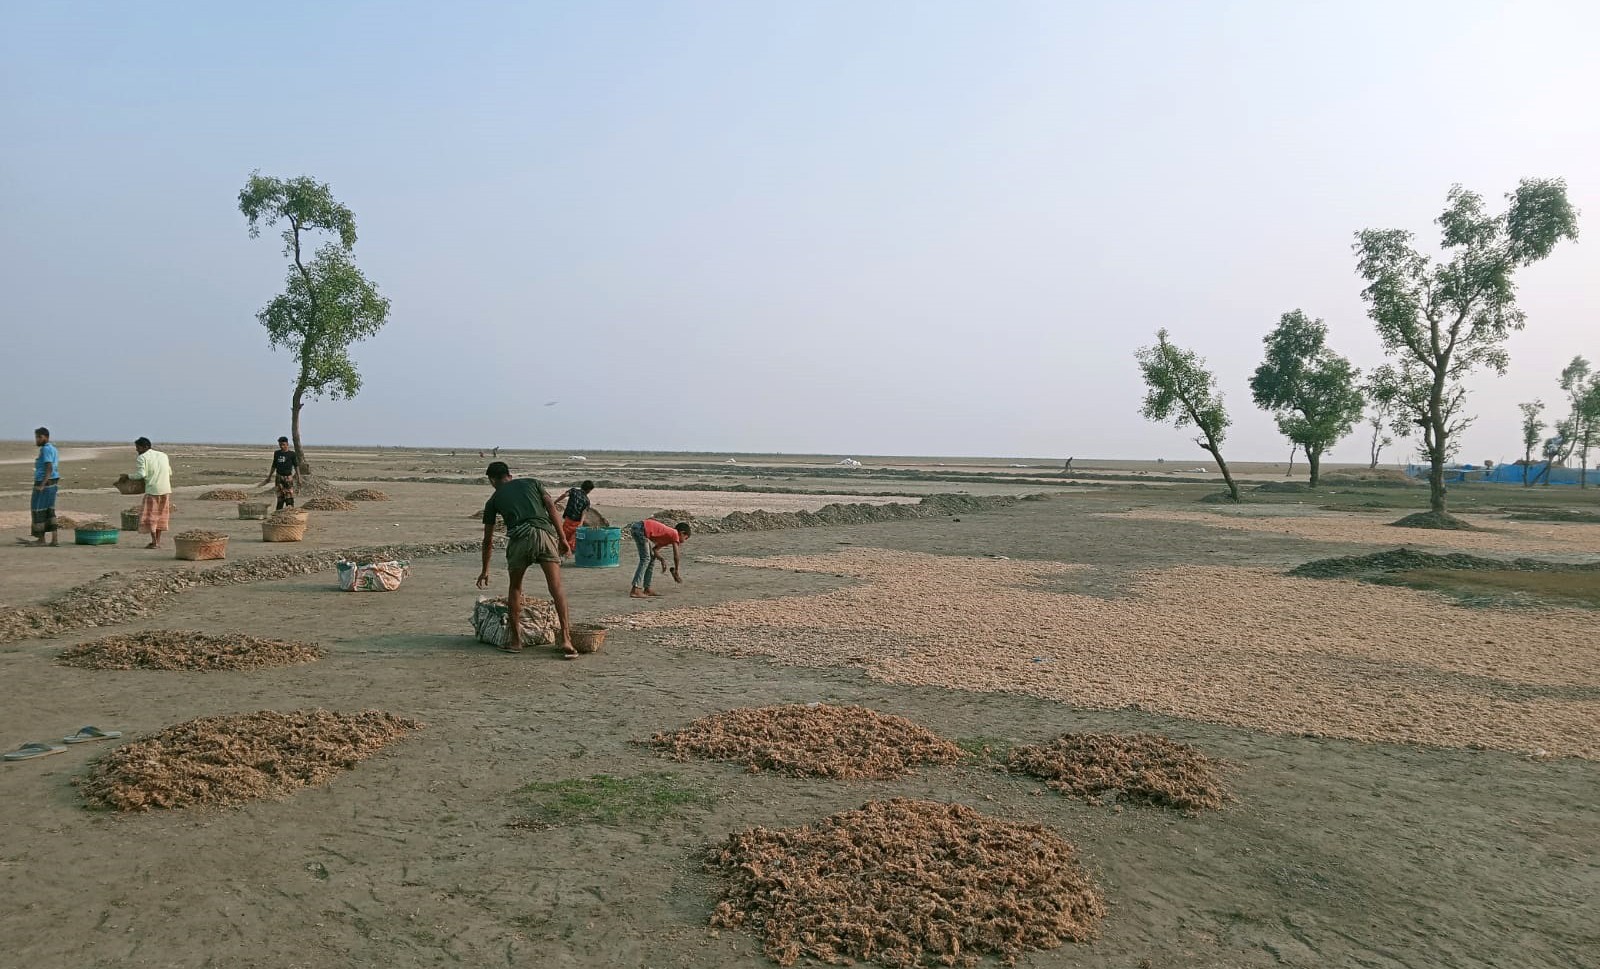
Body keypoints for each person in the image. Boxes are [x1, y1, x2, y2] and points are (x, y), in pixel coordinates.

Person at [475, 462, 576, 658]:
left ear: (492, 480)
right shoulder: (533, 483)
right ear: (509, 475)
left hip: (520, 538)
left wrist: (485, 569)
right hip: (544, 535)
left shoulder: (493, 500)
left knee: (515, 588)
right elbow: (551, 508)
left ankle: (516, 641)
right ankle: (566, 639)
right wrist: (562, 538)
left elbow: (487, 540)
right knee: (556, 587)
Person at [122, 437, 173, 549]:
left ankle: (155, 542)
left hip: (153, 491)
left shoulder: (142, 458)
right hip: (165, 490)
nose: (137, 450)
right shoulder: (163, 455)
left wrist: (128, 476)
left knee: (152, 516)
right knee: (161, 516)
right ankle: (157, 541)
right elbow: (169, 472)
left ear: (145, 447)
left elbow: (141, 475)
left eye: (138, 447)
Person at [627, 518, 689, 598]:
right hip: (641, 529)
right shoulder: (674, 534)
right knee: (645, 559)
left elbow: (655, 550)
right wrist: (676, 570)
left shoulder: (667, 538)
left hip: (640, 529)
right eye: (685, 538)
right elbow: (676, 556)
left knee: (651, 559)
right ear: (682, 533)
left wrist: (661, 560)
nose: (684, 541)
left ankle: (647, 588)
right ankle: (635, 589)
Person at [22, 427, 60, 547]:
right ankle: (54, 539)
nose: (37, 439)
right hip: (52, 483)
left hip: (44, 483)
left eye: (39, 437)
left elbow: (49, 467)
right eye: (36, 437)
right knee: (50, 510)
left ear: (46, 437)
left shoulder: (46, 449)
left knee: (38, 509)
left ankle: (41, 539)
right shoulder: (53, 448)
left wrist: (42, 484)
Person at [553, 480, 609, 558]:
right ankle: (566, 553)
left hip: (568, 520)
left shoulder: (573, 491)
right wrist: (581, 523)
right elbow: (584, 512)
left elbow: (564, 495)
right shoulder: (586, 500)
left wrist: (555, 502)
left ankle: (560, 555)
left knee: (564, 538)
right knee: (573, 540)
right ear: (589, 490)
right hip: (577, 522)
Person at [259, 437, 300, 510]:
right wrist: (269, 477)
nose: (282, 446)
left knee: (289, 495)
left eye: (283, 444)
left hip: (288, 478)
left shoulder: (292, 454)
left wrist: (299, 478)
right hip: (279, 477)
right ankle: (278, 512)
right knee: (280, 496)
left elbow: (296, 466)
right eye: (280, 445)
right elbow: (274, 465)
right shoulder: (277, 453)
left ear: (287, 444)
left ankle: (290, 512)